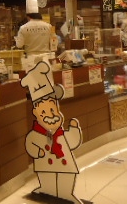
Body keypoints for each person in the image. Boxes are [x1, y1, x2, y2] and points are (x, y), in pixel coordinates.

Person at [20, 61, 85, 203]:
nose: (50, 115)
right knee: (45, 173)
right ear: (36, 113)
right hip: (44, 162)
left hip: (64, 164)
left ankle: (66, 193)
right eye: (43, 112)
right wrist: (36, 151)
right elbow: (30, 143)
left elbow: (72, 142)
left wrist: (74, 129)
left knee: (66, 175)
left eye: (52, 110)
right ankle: (45, 188)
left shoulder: (60, 134)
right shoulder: (35, 134)